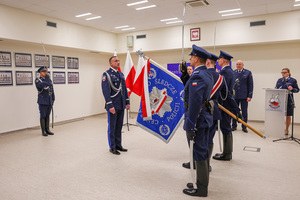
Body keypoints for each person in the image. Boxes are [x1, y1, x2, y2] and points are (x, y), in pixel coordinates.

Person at [182, 45, 213, 197]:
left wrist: (190, 124)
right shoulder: (206, 73)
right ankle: (199, 180)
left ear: (195, 58)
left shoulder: (198, 76)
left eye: (191, 57)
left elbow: (195, 103)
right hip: (205, 118)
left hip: (198, 120)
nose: (190, 59)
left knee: (199, 152)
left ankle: (201, 188)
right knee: (203, 151)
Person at [206, 53, 239, 171]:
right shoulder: (230, 71)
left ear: (223, 60)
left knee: (225, 128)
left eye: (219, 59)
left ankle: (227, 153)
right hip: (226, 102)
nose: (218, 61)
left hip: (223, 103)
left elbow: (224, 91)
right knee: (226, 128)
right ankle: (227, 152)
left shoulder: (225, 72)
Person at [101, 56, 130, 155]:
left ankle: (118, 145)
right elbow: (105, 91)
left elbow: (124, 89)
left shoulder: (121, 74)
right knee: (112, 127)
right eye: (116, 61)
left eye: (118, 61)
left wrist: (127, 102)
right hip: (113, 105)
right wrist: (110, 105)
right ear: (111, 63)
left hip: (121, 105)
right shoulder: (107, 75)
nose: (118, 62)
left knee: (119, 126)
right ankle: (112, 147)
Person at [275, 68, 299, 135]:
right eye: (282, 72)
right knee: (280, 115)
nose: (283, 74)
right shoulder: (279, 80)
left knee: (288, 115)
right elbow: (276, 88)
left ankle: (287, 129)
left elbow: (297, 90)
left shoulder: (293, 80)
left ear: (288, 73)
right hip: (280, 99)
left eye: (285, 72)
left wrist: (292, 89)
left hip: (288, 99)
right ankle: (279, 128)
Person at [231, 60, 253, 133]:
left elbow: (250, 85)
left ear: (242, 65)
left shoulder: (247, 73)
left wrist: (250, 96)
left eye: (240, 64)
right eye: (237, 64)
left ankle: (244, 126)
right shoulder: (233, 72)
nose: (238, 65)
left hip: (244, 96)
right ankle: (234, 125)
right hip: (235, 95)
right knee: (234, 111)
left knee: (244, 112)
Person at [35, 67, 55, 137]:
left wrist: (53, 97)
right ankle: (43, 131)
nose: (45, 73)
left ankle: (47, 129)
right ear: (40, 73)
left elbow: (51, 88)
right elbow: (40, 86)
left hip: (49, 99)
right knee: (43, 115)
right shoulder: (38, 80)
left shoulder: (48, 80)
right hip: (43, 100)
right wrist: (47, 80)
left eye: (46, 71)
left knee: (47, 115)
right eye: (44, 72)